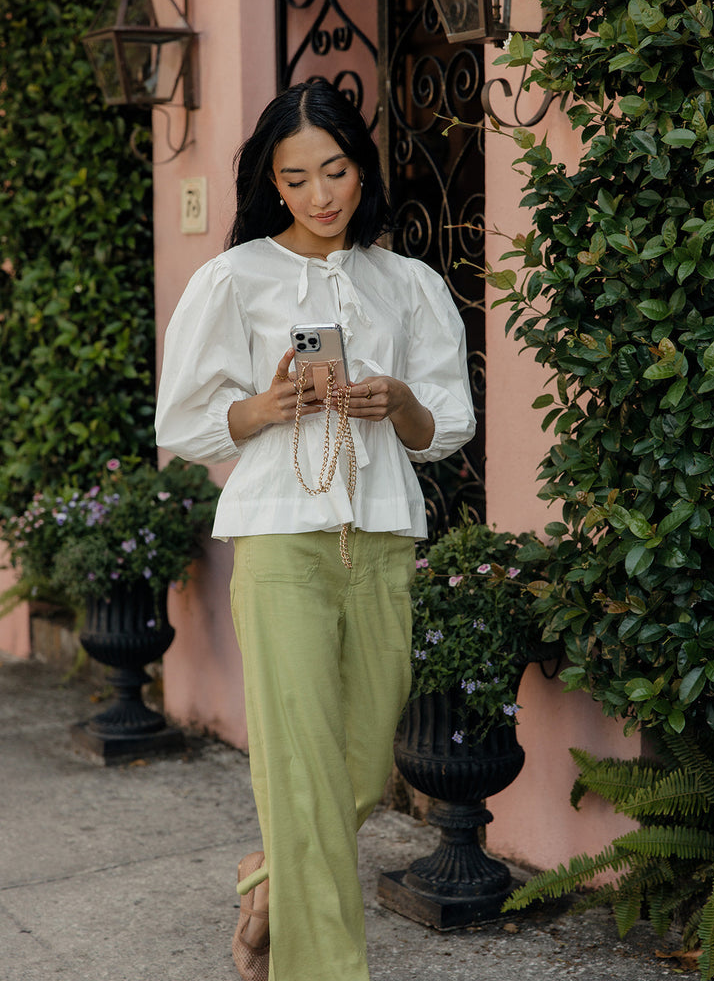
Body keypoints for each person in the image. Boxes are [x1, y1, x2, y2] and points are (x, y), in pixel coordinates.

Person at [155, 78, 475, 981]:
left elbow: (445, 428)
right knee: (298, 767)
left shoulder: (408, 284)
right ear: (274, 184)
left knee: (364, 763)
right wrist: (265, 406)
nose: (321, 195)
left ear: (362, 168)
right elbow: (180, 423)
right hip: (280, 539)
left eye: (334, 170)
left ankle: (266, 886)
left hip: (379, 537)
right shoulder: (235, 277)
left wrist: (400, 401)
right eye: (297, 179)